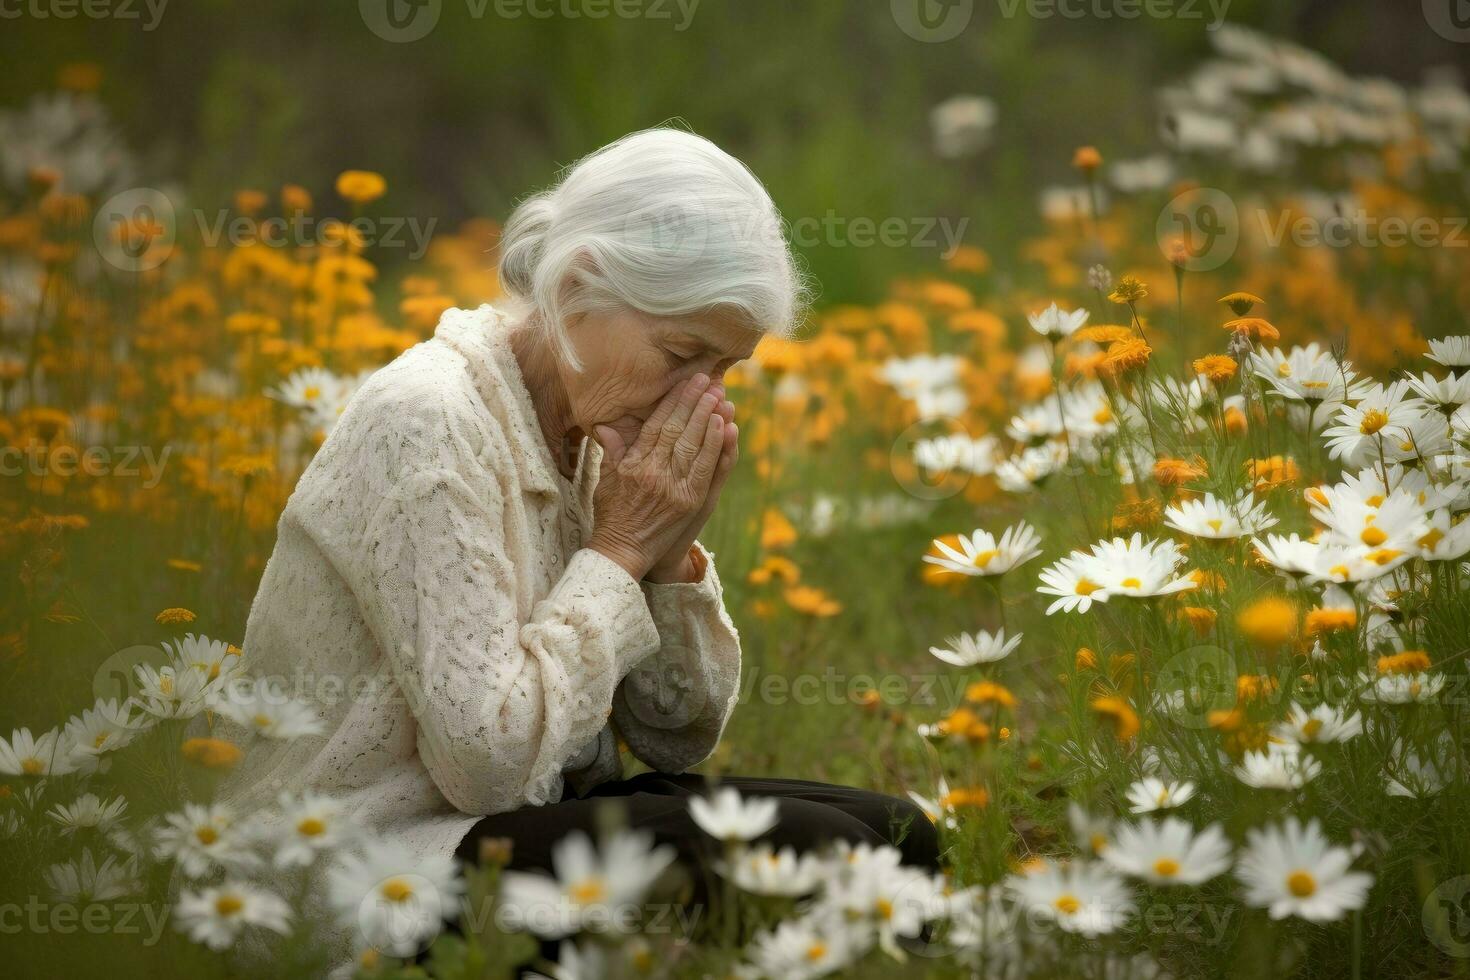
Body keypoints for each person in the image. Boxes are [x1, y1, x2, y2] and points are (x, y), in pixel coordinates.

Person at [226, 128, 939, 960]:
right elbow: (486, 765)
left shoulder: (604, 427)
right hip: (364, 868)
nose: (701, 398)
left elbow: (676, 734)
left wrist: (671, 554)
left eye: (727, 368)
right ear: (575, 288)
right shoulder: (429, 420)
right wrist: (622, 548)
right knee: (826, 855)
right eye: (683, 353)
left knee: (900, 836)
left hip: (508, 827)